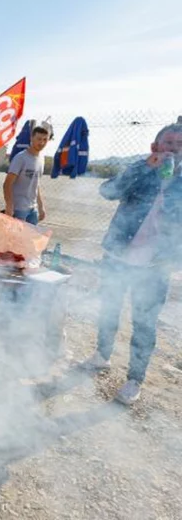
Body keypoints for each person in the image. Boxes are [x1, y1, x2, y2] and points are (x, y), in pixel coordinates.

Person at [85, 123, 182, 405]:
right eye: (169, 143)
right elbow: (108, 191)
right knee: (109, 309)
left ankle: (134, 380)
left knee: (144, 323)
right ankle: (102, 356)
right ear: (155, 147)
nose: (175, 148)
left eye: (180, 144)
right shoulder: (142, 170)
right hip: (118, 256)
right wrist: (145, 167)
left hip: (155, 267)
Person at [3, 126, 49, 225]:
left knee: (30, 239)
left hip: (33, 209)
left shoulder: (41, 159)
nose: (42, 143)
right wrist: (9, 206)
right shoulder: (20, 158)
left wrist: (41, 207)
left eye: (45, 139)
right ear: (31, 138)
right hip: (19, 208)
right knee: (16, 238)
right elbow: (7, 184)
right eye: (39, 139)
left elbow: (36, 184)